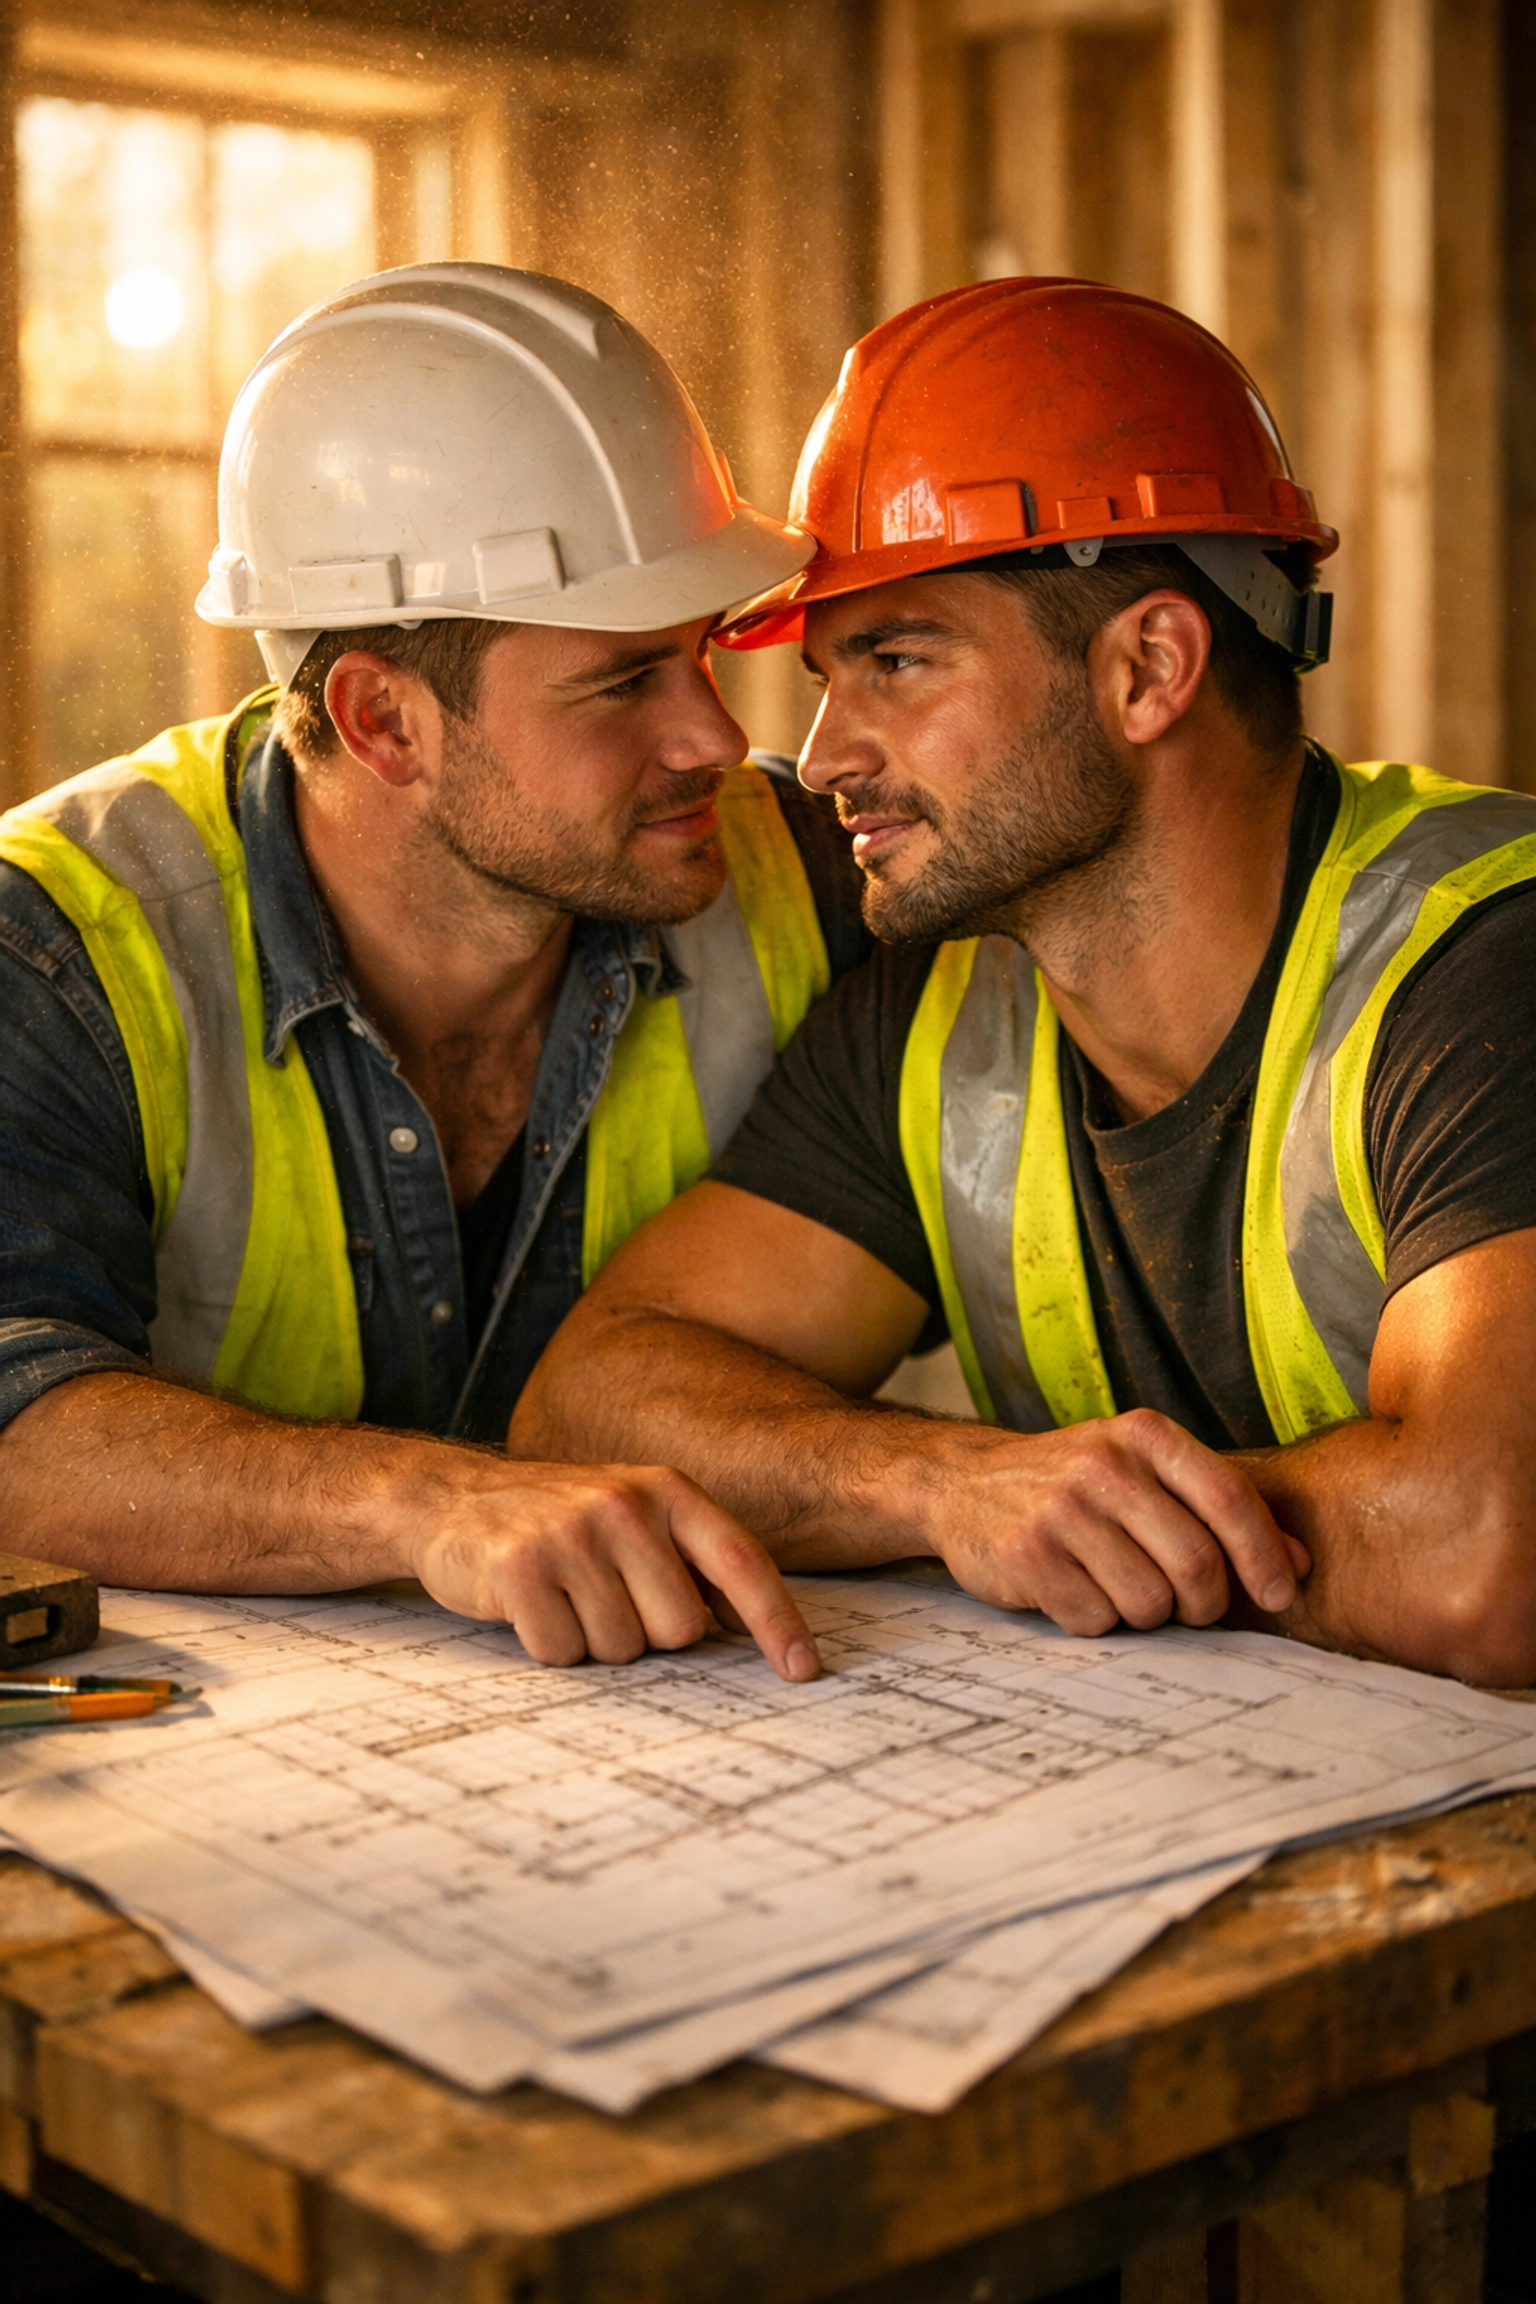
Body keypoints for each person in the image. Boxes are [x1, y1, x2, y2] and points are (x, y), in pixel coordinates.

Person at [512, 277, 1536, 1687]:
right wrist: (952, 1489)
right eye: (825, 676)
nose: (821, 758)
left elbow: (1486, 1562)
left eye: (894, 660)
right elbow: (589, 1402)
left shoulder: (1480, 967)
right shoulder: (938, 1015)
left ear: (1150, 668)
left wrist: (1114, 1531)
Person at [0, 262, 875, 1683]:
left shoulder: (816, 881)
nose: (715, 737)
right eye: (623, 680)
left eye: (702, 657)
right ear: (384, 720)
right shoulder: (60, 946)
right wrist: (427, 1503)